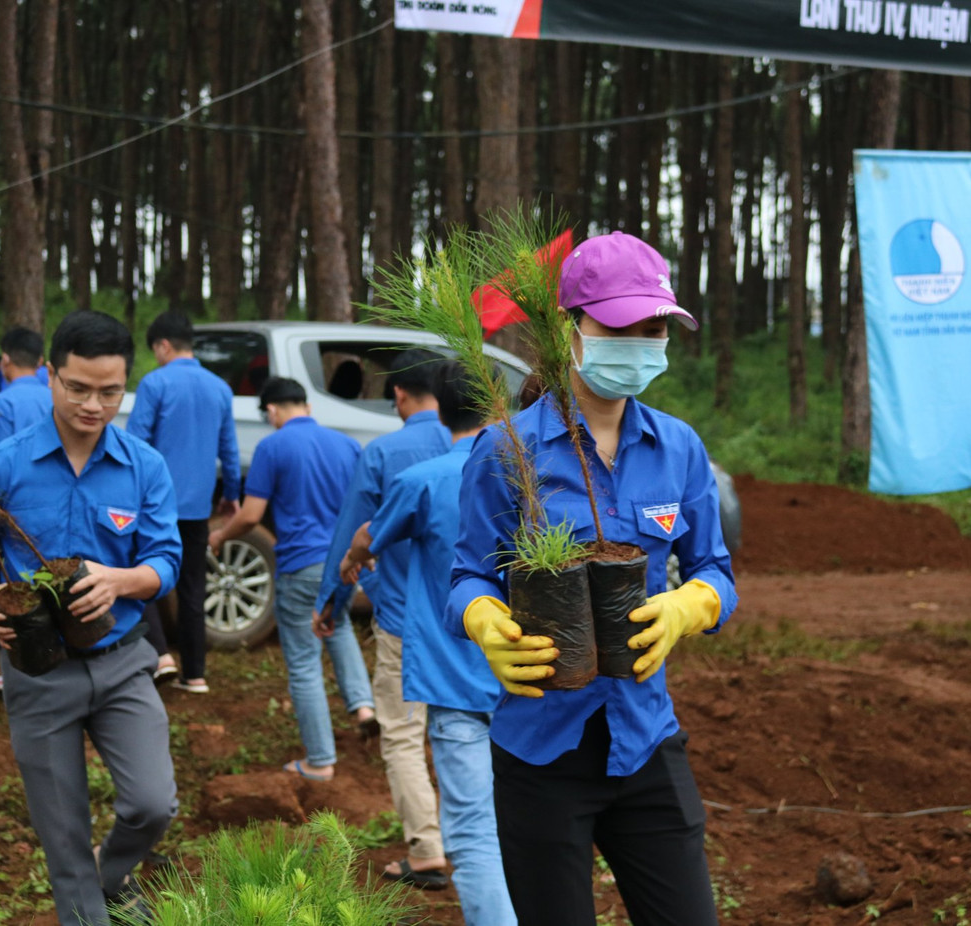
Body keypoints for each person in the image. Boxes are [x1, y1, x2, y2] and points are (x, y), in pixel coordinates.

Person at [448, 232, 738, 926]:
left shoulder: (678, 448)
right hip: (541, 750)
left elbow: (715, 571)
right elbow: (467, 574)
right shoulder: (507, 450)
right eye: (618, 326)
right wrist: (487, 624)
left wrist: (687, 609)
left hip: (645, 740)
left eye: (653, 327)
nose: (638, 341)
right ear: (570, 329)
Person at [0, 310, 182, 925]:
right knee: (64, 841)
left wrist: (120, 580)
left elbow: (166, 559)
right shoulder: (0, 466)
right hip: (38, 672)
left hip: (123, 661)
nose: (94, 404)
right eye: (78, 388)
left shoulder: (143, 467)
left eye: (110, 391)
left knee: (154, 804)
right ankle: (88, 896)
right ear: (50, 375)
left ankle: (114, 871)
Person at [343, 361, 515, 924]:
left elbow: (372, 534)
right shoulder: (531, 476)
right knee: (526, 823)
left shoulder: (426, 480)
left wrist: (352, 558)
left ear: (435, 407)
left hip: (455, 681)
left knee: (472, 830)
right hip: (530, 680)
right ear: (495, 406)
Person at [316, 349, 452, 885]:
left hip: (403, 621)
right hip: (474, 623)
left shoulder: (385, 453)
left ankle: (426, 850)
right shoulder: (479, 449)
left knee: (402, 735)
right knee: (467, 733)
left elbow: (353, 535)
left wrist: (331, 604)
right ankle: (488, 843)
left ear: (398, 395)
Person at [208, 377, 374, 781]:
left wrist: (219, 536)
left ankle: (319, 760)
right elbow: (365, 505)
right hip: (342, 564)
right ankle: (364, 708)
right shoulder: (348, 445)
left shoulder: (272, 446)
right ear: (307, 406)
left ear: (272, 411)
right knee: (339, 631)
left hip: (301, 566)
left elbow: (250, 515)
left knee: (303, 662)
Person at [125, 311, 240, 693]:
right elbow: (229, 448)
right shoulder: (220, 388)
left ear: (163, 345)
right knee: (193, 586)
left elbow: (136, 444)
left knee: (142, 576)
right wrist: (232, 494)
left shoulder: (155, 384)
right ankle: (196, 674)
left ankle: (161, 656)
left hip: (154, 504)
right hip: (196, 508)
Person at [0, 326, 54, 697]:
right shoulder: (53, 394)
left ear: (5, 359)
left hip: (13, 507)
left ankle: (14, 665)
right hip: (50, 501)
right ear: (41, 362)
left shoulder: (4, 403)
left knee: (8, 583)